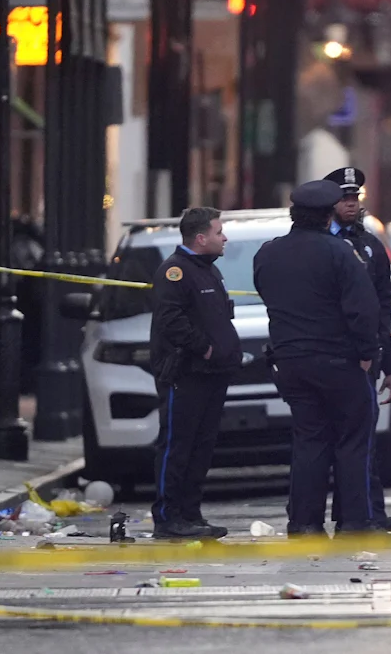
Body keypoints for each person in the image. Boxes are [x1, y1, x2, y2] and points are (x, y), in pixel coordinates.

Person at [253, 180, 382, 536]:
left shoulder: (268, 253)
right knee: (352, 442)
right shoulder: (340, 253)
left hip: (291, 362)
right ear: (329, 216)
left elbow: (267, 294)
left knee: (309, 441)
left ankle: (304, 523)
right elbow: (363, 309)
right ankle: (354, 521)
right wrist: (368, 353)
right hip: (339, 362)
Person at [149, 207, 243, 540]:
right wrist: (203, 348)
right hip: (186, 374)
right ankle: (167, 516)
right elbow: (171, 321)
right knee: (177, 445)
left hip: (212, 374)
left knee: (201, 447)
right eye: (219, 232)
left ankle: (190, 514)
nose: (224, 238)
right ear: (200, 238)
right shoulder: (175, 271)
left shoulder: (207, 271)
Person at [322, 166, 391, 534]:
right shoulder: (318, 241)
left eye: (354, 198)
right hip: (326, 356)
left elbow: (382, 308)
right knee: (326, 444)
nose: (350, 205)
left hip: (363, 358)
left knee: (363, 442)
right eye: (343, 199)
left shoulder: (370, 246)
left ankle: (369, 515)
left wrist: (390, 364)